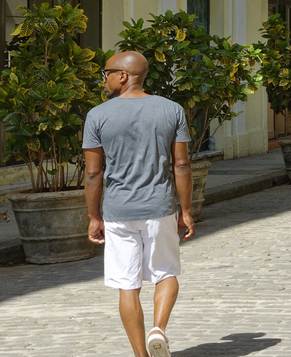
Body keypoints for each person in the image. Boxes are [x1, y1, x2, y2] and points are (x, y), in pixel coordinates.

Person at [84, 52, 194, 357]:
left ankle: (140, 355)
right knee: (166, 273)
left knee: (127, 285)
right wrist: (185, 211)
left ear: (122, 76)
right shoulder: (171, 110)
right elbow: (181, 165)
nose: (102, 80)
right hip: (159, 208)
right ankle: (158, 329)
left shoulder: (97, 115)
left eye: (105, 73)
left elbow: (93, 173)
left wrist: (94, 215)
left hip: (118, 212)